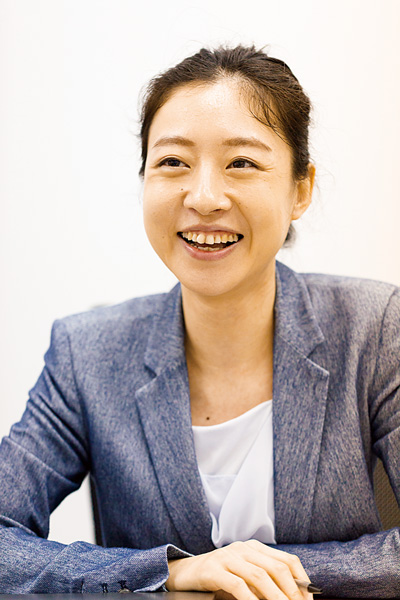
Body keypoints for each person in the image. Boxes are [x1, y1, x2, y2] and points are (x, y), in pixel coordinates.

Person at [0, 45, 399, 598]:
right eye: (173, 162)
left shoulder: (375, 327)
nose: (205, 197)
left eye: (242, 163)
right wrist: (170, 571)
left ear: (301, 189)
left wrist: (263, 571)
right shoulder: (86, 353)